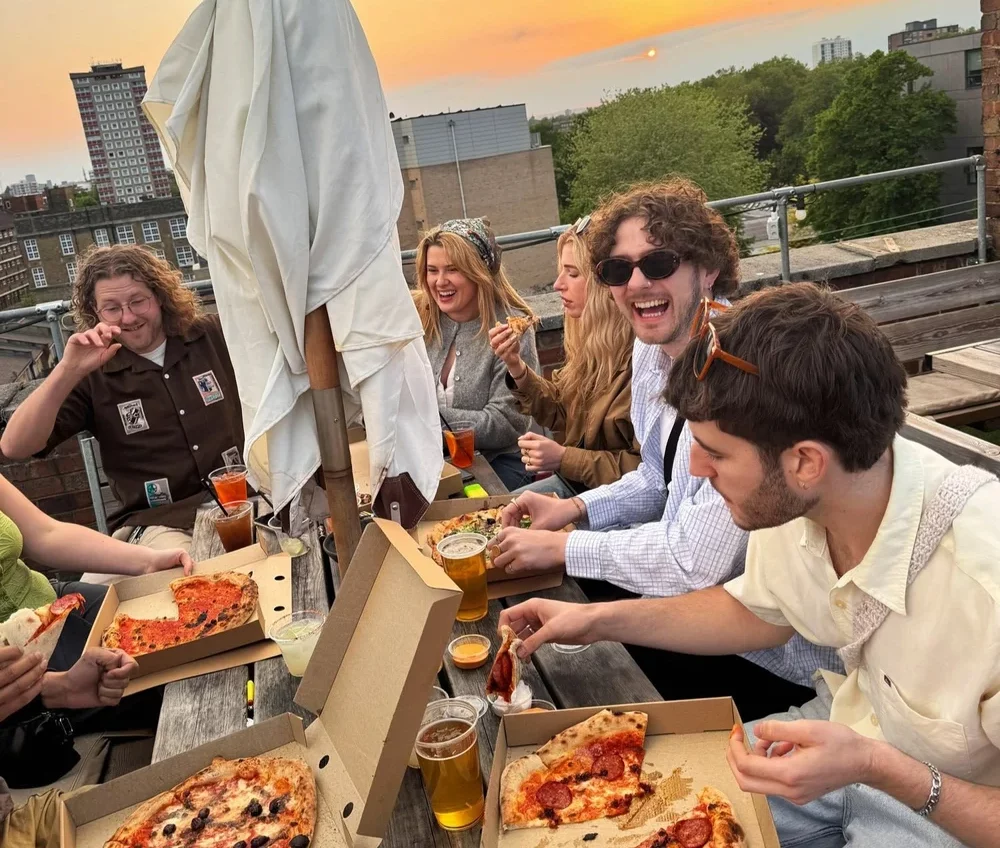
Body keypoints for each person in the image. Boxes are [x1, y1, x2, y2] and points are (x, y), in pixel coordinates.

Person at [502, 282, 1000, 848]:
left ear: (805, 462)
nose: (695, 468)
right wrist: (595, 622)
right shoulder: (797, 501)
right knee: (619, 820)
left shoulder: (986, 579)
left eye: (715, 452)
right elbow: (754, 612)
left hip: (941, 806)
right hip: (845, 731)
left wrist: (877, 766)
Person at [491, 179, 837, 720]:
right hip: (689, 610)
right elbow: (656, 478)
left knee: (567, 672)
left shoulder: (740, 373)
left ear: (709, 269)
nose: (637, 283)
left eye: (658, 263)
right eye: (617, 269)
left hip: (769, 663)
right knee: (541, 630)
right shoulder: (654, 348)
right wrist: (575, 510)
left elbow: (695, 564)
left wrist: (566, 546)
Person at [1, 246, 245, 577]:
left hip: (240, 498)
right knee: (199, 580)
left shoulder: (212, 335)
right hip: (157, 523)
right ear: (94, 312)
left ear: (159, 296)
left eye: (137, 301)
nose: (128, 317)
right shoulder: (92, 372)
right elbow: (14, 446)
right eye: (112, 308)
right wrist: (67, 370)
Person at [488, 216, 639, 497]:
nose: (557, 284)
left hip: (613, 502)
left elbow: (646, 472)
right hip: (577, 487)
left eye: (572, 273)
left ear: (603, 283)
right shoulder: (591, 344)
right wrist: (516, 366)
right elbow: (561, 412)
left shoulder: (642, 357)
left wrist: (563, 458)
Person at [414, 217, 540, 491]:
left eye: (453, 270)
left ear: (479, 272)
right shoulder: (415, 320)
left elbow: (505, 422)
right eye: (431, 270)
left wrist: (426, 420)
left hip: (497, 465)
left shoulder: (511, 328)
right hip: (427, 464)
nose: (440, 281)